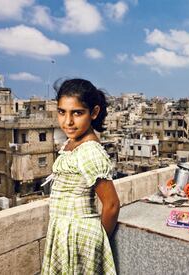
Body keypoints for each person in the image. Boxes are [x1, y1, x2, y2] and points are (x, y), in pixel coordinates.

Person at [41, 78, 120, 275]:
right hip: (63, 231)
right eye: (62, 112)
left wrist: (97, 239)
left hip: (80, 235)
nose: (68, 121)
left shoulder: (90, 151)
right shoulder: (71, 143)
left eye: (77, 113)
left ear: (93, 113)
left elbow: (111, 205)